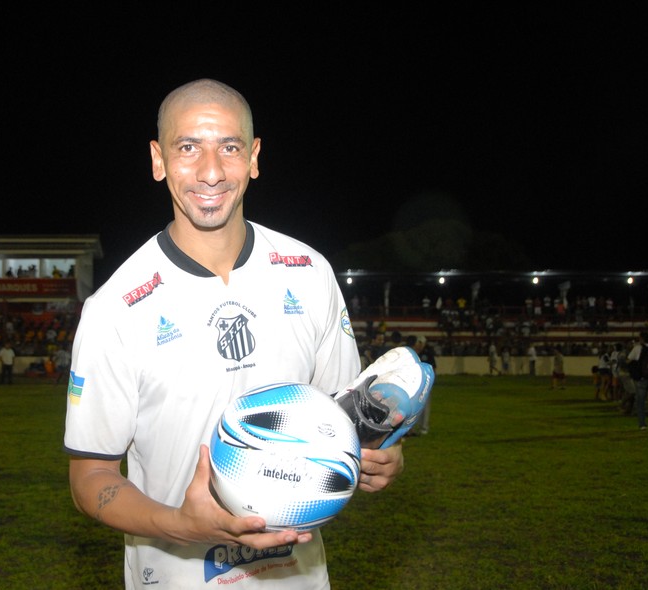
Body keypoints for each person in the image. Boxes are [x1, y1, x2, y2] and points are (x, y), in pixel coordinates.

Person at [63, 79, 405, 589]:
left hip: (297, 577)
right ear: (158, 160)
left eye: (229, 147)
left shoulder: (309, 273)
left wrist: (376, 454)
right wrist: (180, 524)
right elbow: (90, 480)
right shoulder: (116, 308)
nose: (211, 172)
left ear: (255, 157)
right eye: (187, 148)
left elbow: (340, 416)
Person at [626, 331, 648, 430]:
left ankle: (642, 424)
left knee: (640, 402)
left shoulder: (637, 348)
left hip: (642, 378)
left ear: (641, 339)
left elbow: (628, 360)